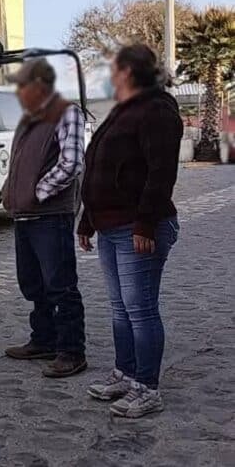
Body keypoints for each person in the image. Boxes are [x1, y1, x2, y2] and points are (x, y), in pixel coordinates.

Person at [79, 44, 182, 418]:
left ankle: (147, 387)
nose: (109, 75)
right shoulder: (123, 110)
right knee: (121, 309)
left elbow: (161, 173)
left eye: (114, 68)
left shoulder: (156, 109)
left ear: (129, 71)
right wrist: (87, 220)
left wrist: (145, 223)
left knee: (140, 310)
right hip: (109, 226)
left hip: (138, 227)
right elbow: (97, 168)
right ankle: (125, 373)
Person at [1, 58, 87, 378]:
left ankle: (71, 350)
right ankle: (44, 339)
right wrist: (10, 191)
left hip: (50, 215)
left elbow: (71, 162)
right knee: (33, 284)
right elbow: (19, 165)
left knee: (60, 285)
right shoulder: (28, 120)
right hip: (24, 216)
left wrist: (38, 192)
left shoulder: (66, 113)